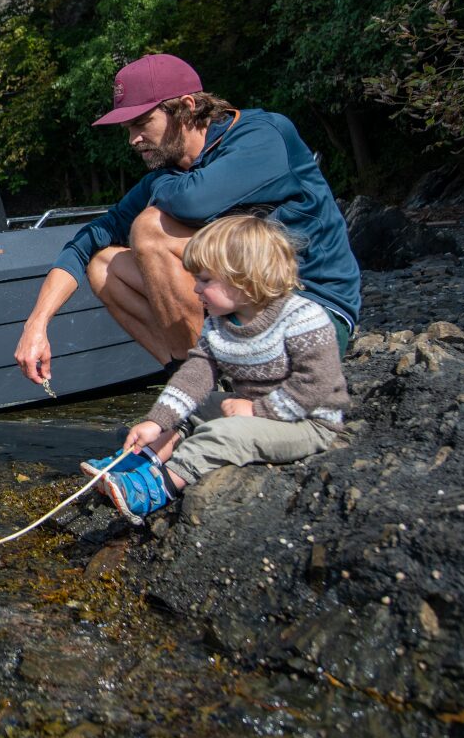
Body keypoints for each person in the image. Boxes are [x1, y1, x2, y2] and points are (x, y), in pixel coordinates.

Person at [13, 53, 360, 377]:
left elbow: (194, 201)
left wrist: (158, 185)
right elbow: (81, 245)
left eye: (142, 123)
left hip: (310, 311)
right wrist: (36, 325)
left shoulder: (263, 135)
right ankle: (194, 384)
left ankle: (201, 388)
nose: (133, 139)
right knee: (104, 265)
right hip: (239, 311)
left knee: (150, 228)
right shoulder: (169, 177)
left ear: (186, 108)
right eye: (128, 129)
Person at [83, 214, 349, 522]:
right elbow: (195, 376)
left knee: (223, 433)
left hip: (308, 422)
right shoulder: (219, 324)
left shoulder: (303, 318)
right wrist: (157, 422)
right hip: (254, 407)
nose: (195, 289)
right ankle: (142, 459)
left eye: (205, 280)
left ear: (244, 279)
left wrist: (257, 411)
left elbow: (316, 384)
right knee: (193, 407)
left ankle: (158, 486)